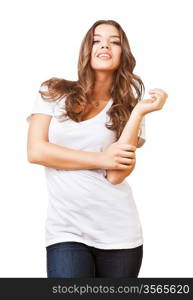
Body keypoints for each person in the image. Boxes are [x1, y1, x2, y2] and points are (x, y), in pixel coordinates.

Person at [26, 19, 168, 278]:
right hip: (65, 230)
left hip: (120, 234)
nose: (105, 45)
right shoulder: (52, 92)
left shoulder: (129, 108)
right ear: (86, 50)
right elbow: (36, 151)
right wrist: (102, 158)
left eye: (114, 41)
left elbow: (116, 174)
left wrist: (138, 112)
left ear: (123, 53)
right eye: (96, 40)